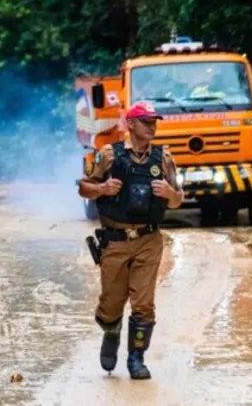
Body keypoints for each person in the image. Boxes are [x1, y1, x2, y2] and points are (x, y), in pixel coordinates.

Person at [77, 101, 184, 380]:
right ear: (130, 124)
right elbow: (83, 188)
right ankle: (111, 331)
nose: (152, 126)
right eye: (146, 122)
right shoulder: (109, 155)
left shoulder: (163, 158)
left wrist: (168, 194)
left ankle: (136, 358)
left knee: (144, 303)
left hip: (148, 239)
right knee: (111, 302)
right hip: (115, 240)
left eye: (154, 122)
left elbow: (179, 197)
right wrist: (102, 188)